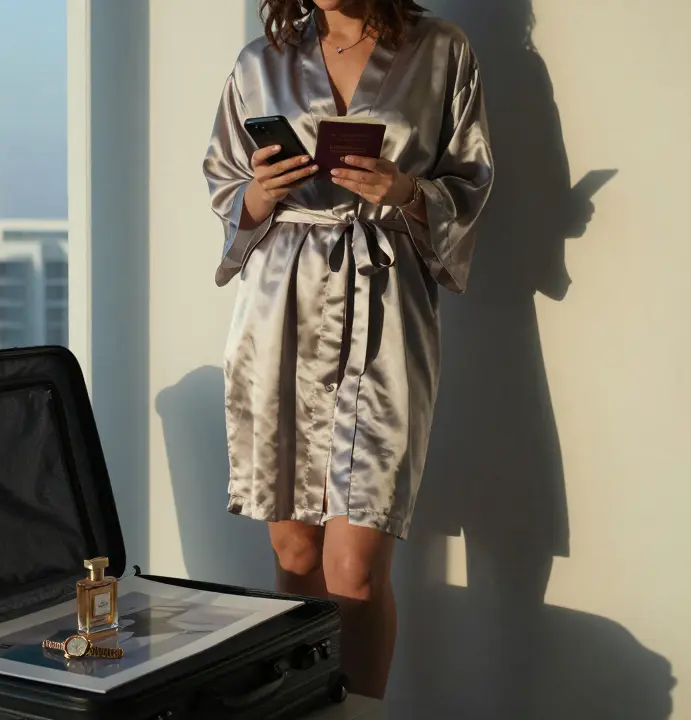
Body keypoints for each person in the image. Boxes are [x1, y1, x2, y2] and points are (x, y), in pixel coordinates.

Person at [202, 0, 493, 697]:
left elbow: (472, 180)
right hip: (280, 311)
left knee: (356, 569)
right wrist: (256, 196)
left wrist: (408, 191)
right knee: (295, 548)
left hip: (384, 307)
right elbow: (223, 180)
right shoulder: (260, 62)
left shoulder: (443, 51)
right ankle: (298, 709)